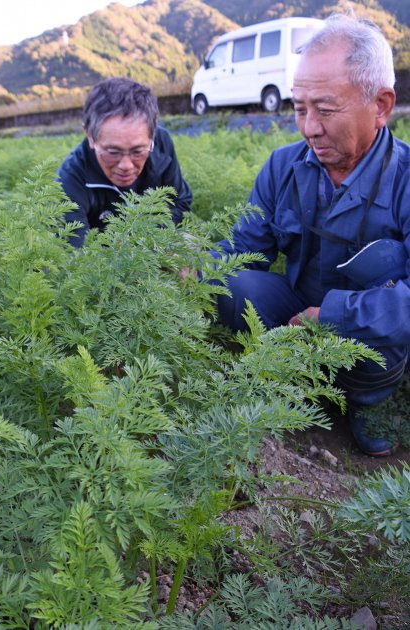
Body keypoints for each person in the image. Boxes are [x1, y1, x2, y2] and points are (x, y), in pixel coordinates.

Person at [213, 14, 410, 456]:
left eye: (325, 109)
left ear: (380, 105)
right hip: (295, 316)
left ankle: (370, 400)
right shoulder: (284, 166)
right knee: (231, 281)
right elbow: (242, 249)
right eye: (300, 108)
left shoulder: (405, 179)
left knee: (387, 333)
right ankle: (294, 383)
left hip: (366, 340)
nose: (308, 127)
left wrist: (335, 316)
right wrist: (195, 272)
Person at [58, 77, 192, 246]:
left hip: (153, 245)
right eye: (113, 152)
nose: (126, 166)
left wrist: (149, 240)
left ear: (152, 134)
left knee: (190, 247)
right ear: (89, 136)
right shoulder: (71, 178)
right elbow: (76, 253)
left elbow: (180, 201)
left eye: (138, 151)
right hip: (105, 260)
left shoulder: (161, 143)